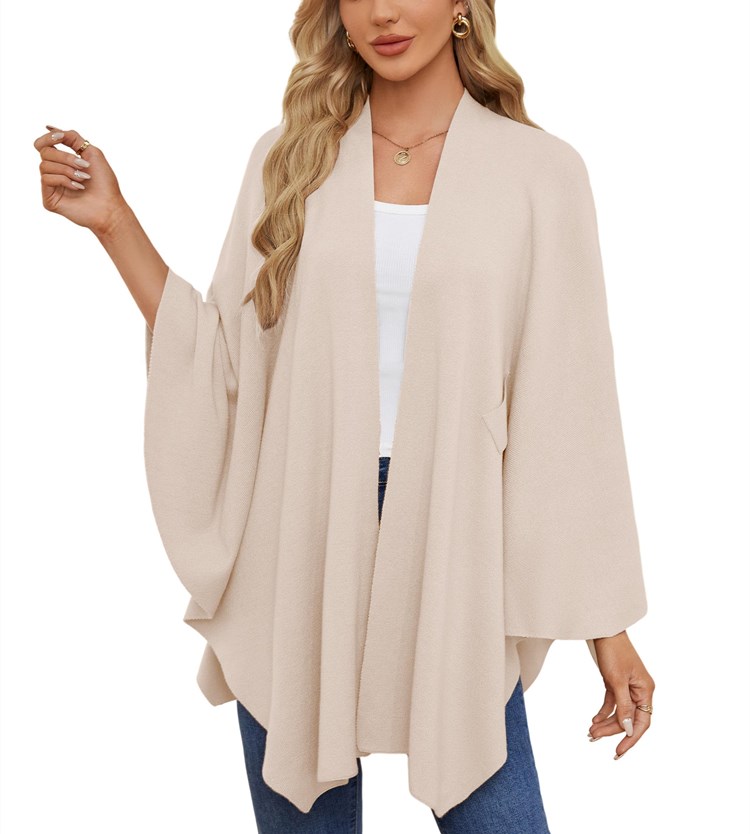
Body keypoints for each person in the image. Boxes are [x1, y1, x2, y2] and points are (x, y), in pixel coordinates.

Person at [33, 1, 655, 832]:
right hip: (300, 534)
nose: (384, 12)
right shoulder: (290, 158)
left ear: (463, 6)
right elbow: (223, 363)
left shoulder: (541, 173)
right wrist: (114, 223)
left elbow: (568, 407)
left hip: (457, 536)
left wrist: (607, 630)